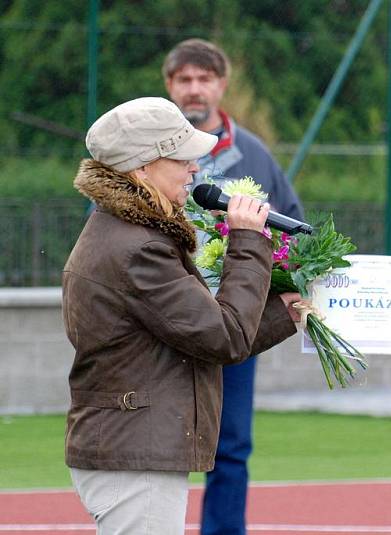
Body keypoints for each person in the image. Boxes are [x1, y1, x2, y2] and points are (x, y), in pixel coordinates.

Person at [63, 96, 300, 534]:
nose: (196, 168)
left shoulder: (127, 231)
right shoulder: (139, 247)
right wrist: (248, 242)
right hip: (134, 454)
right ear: (141, 168)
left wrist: (284, 313)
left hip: (131, 447)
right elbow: (223, 337)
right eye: (183, 157)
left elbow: (201, 337)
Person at [162, 38, 305, 535]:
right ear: (170, 86)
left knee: (232, 447)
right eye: (185, 79)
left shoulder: (256, 156)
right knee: (159, 444)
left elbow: (292, 233)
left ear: (222, 85)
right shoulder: (147, 153)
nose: (195, 89)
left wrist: (282, 285)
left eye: (205, 79)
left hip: (233, 326)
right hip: (164, 323)